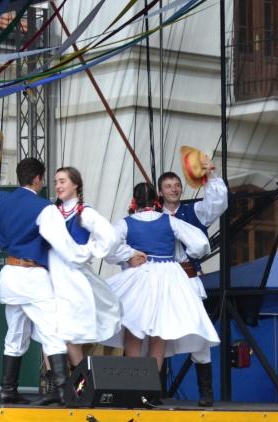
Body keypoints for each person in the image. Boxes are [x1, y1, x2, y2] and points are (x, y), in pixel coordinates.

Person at [0, 146, 91, 406]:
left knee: (16, 332)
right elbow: (62, 245)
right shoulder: (45, 208)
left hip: (9, 274)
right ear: (37, 179)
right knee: (52, 331)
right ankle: (65, 391)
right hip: (33, 275)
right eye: (44, 179)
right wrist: (84, 256)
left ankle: (7, 389)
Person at [104, 182, 220, 397]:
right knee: (159, 332)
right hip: (168, 277)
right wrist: (187, 255)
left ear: (134, 201)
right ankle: (149, 389)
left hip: (139, 276)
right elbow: (200, 243)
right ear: (156, 200)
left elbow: (106, 244)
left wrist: (128, 255)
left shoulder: (126, 223)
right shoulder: (170, 221)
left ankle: (133, 388)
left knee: (133, 329)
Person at [157, 161, 227, 407]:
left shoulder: (193, 211)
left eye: (177, 185)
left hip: (188, 280)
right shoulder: (154, 218)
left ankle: (205, 393)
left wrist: (210, 176)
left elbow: (217, 204)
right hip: (162, 283)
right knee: (157, 333)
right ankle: (151, 391)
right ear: (160, 192)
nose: (174, 189)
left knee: (200, 332)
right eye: (168, 186)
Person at [48, 167, 121, 369]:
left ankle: (80, 385)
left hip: (72, 279)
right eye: (56, 182)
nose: (58, 186)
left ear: (75, 184)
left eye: (62, 181)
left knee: (71, 334)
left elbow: (110, 237)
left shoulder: (84, 212)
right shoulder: (53, 212)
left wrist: (87, 251)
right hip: (52, 275)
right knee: (50, 331)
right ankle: (57, 385)